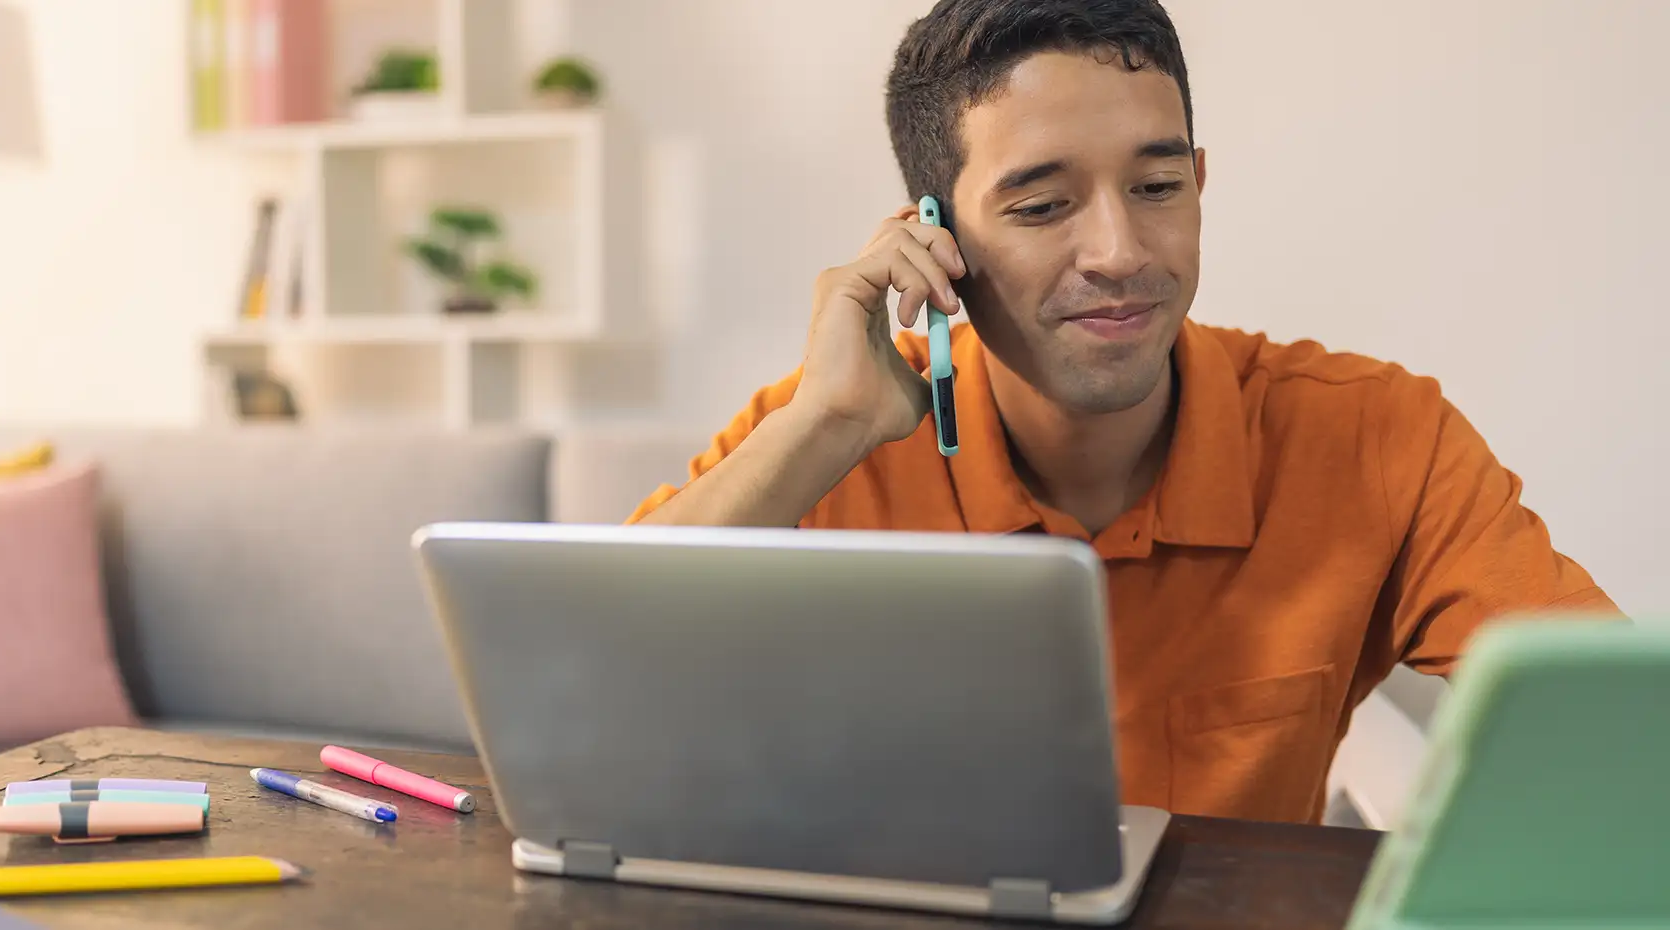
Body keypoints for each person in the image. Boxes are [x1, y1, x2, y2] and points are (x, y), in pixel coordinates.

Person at [628, 0, 1621, 825]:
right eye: (1042, 206)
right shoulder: (828, 435)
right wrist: (824, 429)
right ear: (931, 240)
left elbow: (1621, 728)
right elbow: (600, 686)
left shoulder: (1373, 436)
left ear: (1198, 184)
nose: (1120, 251)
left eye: (1154, 187)